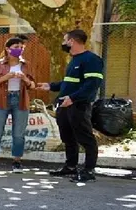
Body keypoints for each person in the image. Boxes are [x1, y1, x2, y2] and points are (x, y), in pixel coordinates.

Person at [38, 29, 103, 183]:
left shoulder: (91, 59)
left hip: (79, 105)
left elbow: (92, 85)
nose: (63, 43)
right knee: (68, 137)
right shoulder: (74, 59)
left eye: (65, 40)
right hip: (65, 105)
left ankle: (89, 170)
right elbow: (69, 83)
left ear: (72, 41)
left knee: (86, 138)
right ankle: (71, 166)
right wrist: (50, 86)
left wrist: (73, 98)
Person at [0, 37, 36, 173]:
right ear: (8, 49)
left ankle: (17, 161)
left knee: (19, 134)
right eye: (16, 47)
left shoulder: (26, 65)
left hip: (20, 99)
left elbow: (32, 84)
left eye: (21, 47)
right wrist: (5, 78)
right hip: (1, 100)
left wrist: (24, 78)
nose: (19, 49)